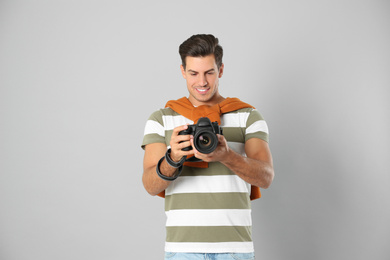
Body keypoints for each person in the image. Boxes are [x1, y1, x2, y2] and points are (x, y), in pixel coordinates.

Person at [141, 34, 274, 260]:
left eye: (209, 72)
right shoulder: (161, 118)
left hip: (234, 249)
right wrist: (173, 158)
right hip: (183, 250)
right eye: (193, 73)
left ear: (220, 70)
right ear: (183, 71)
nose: (201, 82)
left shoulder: (248, 116)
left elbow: (266, 177)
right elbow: (150, 185)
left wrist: (228, 156)